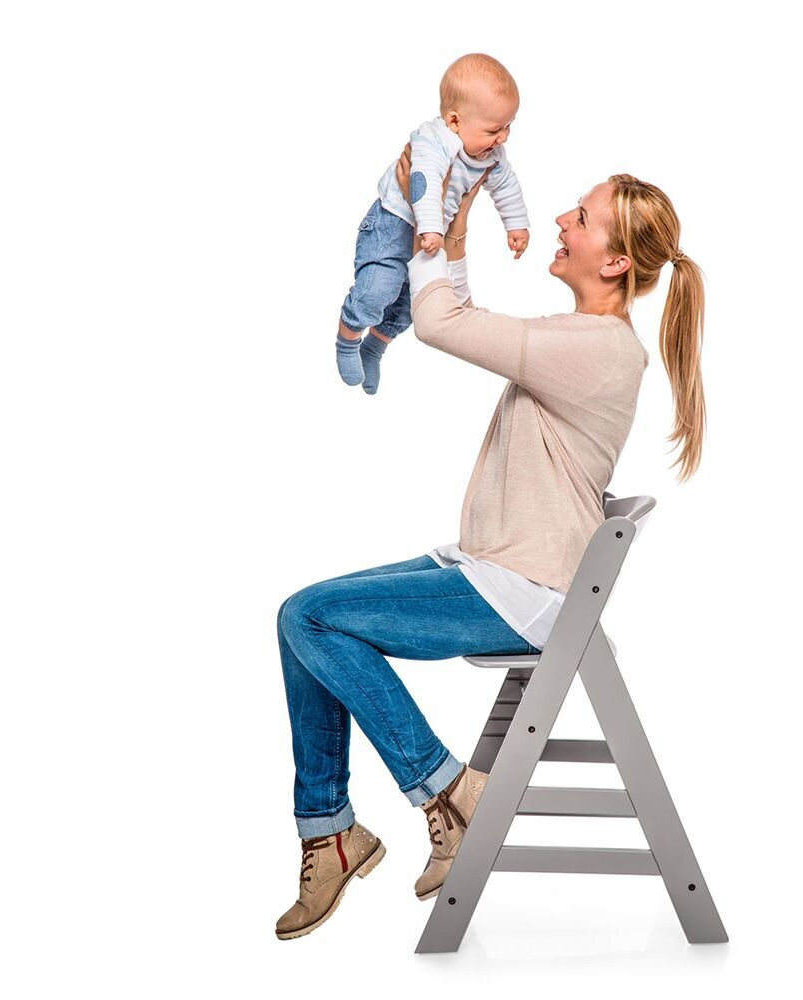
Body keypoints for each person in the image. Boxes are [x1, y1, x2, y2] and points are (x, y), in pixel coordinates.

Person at [275, 144, 706, 940]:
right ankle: (332, 831)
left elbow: (441, 323)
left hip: (521, 587)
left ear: (614, 261)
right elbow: (464, 321)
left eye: (582, 218)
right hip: (494, 568)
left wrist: (433, 219)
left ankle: (445, 792)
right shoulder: (586, 338)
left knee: (310, 617)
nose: (561, 220)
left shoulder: (596, 350)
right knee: (304, 620)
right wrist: (456, 228)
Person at [336, 52, 530, 394]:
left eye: (508, 126)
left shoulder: (491, 155)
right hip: (394, 224)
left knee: (414, 303)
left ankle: (375, 347)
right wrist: (430, 227)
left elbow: (507, 186)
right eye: (494, 130)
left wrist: (516, 225)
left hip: (431, 235)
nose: (503, 138)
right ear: (454, 120)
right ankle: (348, 339)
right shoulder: (436, 139)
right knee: (379, 288)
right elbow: (423, 181)